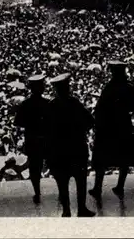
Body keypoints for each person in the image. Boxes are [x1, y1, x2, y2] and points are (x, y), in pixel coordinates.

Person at [89, 61, 134, 200]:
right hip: (123, 125)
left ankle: (98, 187)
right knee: (124, 156)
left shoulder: (109, 87)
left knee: (102, 157)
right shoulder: (130, 87)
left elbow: (100, 108)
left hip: (108, 127)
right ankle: (120, 186)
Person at [46, 73, 96, 217]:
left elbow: (46, 128)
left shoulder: (52, 105)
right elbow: (90, 121)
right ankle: (82, 209)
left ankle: (66, 210)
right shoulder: (74, 103)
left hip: (58, 150)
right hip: (76, 148)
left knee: (62, 183)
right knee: (81, 181)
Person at [14, 74, 50, 204]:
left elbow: (18, 122)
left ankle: (37, 192)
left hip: (32, 139)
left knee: (34, 167)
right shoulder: (47, 103)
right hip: (46, 139)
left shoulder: (25, 104)